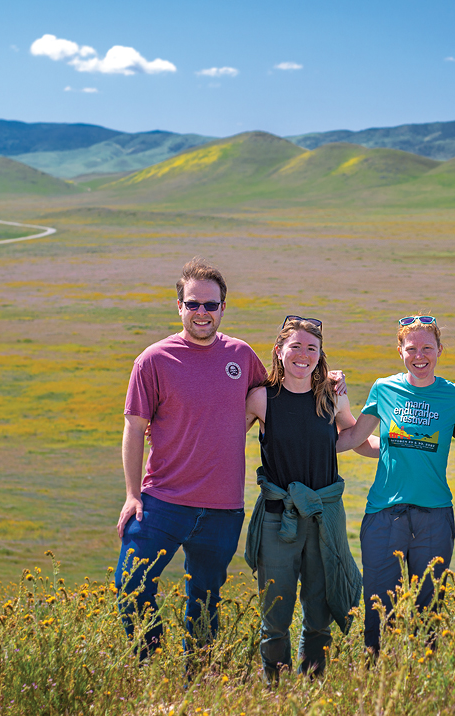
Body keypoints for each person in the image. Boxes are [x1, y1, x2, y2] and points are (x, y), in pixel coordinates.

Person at [116, 257, 266, 654]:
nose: (202, 313)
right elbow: (133, 428)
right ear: (179, 306)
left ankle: (196, 682)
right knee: (130, 583)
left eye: (211, 305)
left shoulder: (243, 356)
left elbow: (273, 401)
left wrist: (328, 380)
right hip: (162, 502)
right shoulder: (153, 360)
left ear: (222, 308)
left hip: (223, 509)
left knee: (204, 604)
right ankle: (149, 662)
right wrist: (133, 495)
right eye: (194, 304)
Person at [336, 315, 455, 653]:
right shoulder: (384, 388)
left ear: (439, 350)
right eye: (411, 348)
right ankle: (376, 675)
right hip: (384, 513)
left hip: (434, 514)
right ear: (400, 351)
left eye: (427, 348)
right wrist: (336, 405)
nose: (420, 355)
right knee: (378, 605)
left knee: (428, 606)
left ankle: (422, 679)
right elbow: (356, 439)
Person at [242, 316, 376, 679]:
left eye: (311, 348)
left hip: (322, 517)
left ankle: (314, 686)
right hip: (277, 519)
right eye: (295, 347)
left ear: (320, 355)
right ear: (279, 351)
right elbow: (226, 435)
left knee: (319, 612)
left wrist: (402, 447)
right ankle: (275, 689)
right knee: (276, 614)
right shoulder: (261, 398)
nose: (303, 355)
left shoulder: (331, 395)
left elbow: (350, 437)